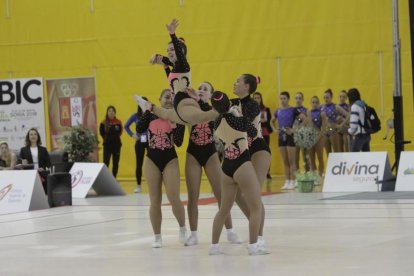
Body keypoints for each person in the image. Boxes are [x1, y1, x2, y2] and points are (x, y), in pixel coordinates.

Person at [209, 91, 269, 256]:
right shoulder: (239, 120)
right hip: (242, 164)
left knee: (223, 209)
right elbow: (252, 132)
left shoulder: (216, 122)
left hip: (226, 166)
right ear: (229, 103)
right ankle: (253, 245)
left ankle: (214, 246)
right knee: (256, 206)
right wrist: (238, 114)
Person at [184, 81, 243, 246]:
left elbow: (225, 110)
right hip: (193, 153)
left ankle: (230, 231)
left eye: (205, 89)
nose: (201, 90)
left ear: (211, 95)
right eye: (200, 88)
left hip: (210, 153)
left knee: (221, 195)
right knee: (192, 196)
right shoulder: (191, 107)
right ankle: (193, 234)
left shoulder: (215, 110)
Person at [135, 19, 217, 125]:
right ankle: (147, 105)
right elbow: (172, 82)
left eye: (172, 49)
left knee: (201, 117)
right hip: (178, 109)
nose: (169, 52)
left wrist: (172, 34)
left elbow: (177, 54)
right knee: (164, 113)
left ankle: (227, 112)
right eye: (167, 51)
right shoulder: (175, 68)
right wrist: (164, 66)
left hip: (185, 105)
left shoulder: (183, 65)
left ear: (181, 51)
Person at [136, 89, 187, 248]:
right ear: (159, 99)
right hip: (152, 159)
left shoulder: (178, 117)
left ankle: (182, 228)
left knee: (173, 197)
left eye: (172, 97)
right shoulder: (151, 115)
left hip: (169, 158)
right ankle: (157, 236)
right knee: (155, 200)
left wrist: (173, 120)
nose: (169, 99)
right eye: (166, 97)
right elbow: (139, 128)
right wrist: (148, 110)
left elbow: (178, 142)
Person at [232, 74, 270, 247]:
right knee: (237, 194)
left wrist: (236, 115)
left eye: (238, 81)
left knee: (254, 195)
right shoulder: (233, 103)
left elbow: (251, 130)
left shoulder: (253, 105)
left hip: (258, 149)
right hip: (243, 151)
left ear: (247, 86)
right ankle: (254, 223)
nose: (235, 83)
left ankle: (259, 238)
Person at [270, 92, 304, 190]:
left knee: (291, 160)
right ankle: (287, 180)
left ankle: (293, 180)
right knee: (285, 161)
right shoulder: (278, 111)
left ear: (288, 99)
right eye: (281, 98)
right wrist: (274, 129)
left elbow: (304, 119)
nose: (282, 100)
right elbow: (271, 121)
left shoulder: (293, 110)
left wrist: (295, 129)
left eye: (284, 98)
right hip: (281, 136)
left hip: (290, 136)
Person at [124, 100, 149, 193]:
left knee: (153, 163)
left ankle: (154, 185)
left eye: (146, 103)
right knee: (139, 163)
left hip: (150, 141)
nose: (144, 105)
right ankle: (138, 185)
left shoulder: (150, 114)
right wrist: (132, 135)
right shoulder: (135, 116)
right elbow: (126, 126)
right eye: (142, 103)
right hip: (139, 141)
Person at [18, 128, 51, 192]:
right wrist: (22, 162)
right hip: (29, 174)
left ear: (38, 136)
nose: (33, 136)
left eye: (35, 134)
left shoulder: (43, 149)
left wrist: (43, 168)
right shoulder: (23, 150)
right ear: (28, 137)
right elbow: (18, 161)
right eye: (31, 134)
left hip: (41, 173)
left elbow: (48, 163)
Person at [252, 91, 273, 180]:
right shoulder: (250, 109)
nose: (257, 100)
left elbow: (269, 121)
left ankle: (267, 172)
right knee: (254, 153)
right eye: (255, 98)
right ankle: (255, 172)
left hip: (264, 133)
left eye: (258, 98)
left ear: (261, 99)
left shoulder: (266, 109)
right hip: (253, 134)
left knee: (266, 152)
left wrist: (264, 121)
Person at [321, 89, 349, 154]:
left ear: (331, 97)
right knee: (328, 154)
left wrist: (341, 124)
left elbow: (348, 115)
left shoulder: (336, 106)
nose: (325, 99)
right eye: (324, 97)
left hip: (333, 131)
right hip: (325, 132)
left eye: (327, 97)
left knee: (337, 153)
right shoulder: (321, 107)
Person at [307, 96, 327, 185]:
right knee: (311, 158)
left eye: (316, 102)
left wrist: (317, 138)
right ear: (310, 103)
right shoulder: (308, 112)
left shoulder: (322, 113)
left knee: (320, 157)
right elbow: (308, 125)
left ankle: (320, 175)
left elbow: (324, 129)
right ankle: (314, 175)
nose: (314, 104)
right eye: (313, 102)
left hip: (319, 136)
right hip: (311, 136)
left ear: (318, 103)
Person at [99, 106, 123, 178]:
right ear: (107, 112)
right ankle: (106, 179)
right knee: (106, 162)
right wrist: (106, 139)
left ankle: (114, 178)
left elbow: (120, 132)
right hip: (107, 145)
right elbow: (101, 133)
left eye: (113, 111)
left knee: (115, 163)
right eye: (109, 111)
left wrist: (115, 138)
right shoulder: (103, 122)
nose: (111, 112)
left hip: (117, 145)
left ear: (115, 113)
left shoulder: (118, 122)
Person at [293, 92, 308, 171]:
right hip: (295, 135)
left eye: (299, 98)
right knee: (295, 156)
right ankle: (297, 175)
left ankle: (307, 173)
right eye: (296, 98)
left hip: (303, 135)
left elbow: (307, 122)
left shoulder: (305, 110)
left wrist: (299, 127)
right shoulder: (292, 110)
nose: (298, 100)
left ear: (303, 99)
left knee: (305, 155)